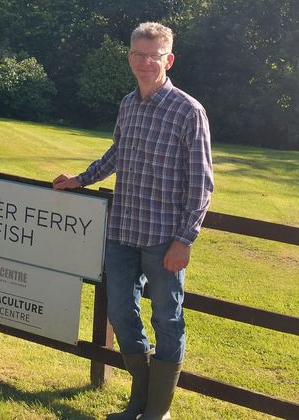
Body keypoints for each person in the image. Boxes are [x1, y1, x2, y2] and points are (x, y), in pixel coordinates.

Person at [53, 22, 213, 420]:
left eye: (153, 56)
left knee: (167, 319)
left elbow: (202, 183)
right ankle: (138, 402)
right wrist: (81, 179)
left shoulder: (188, 111)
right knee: (121, 313)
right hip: (123, 232)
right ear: (129, 57)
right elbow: (116, 154)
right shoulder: (128, 104)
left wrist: (185, 239)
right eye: (137, 54)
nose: (144, 62)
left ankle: (156, 412)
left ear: (168, 59)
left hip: (163, 239)